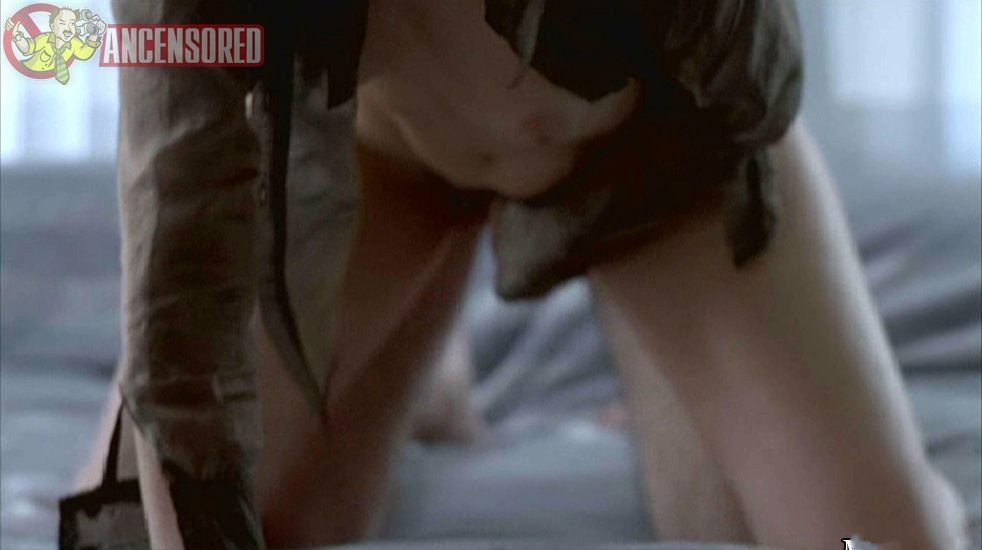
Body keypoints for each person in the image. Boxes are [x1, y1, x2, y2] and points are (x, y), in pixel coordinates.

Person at [68, 0, 966, 548]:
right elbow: (177, 264)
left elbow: (755, 74)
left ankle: (644, 330)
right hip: (383, 162)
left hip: (669, 156)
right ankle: (434, 365)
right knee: (173, 530)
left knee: (847, 539)